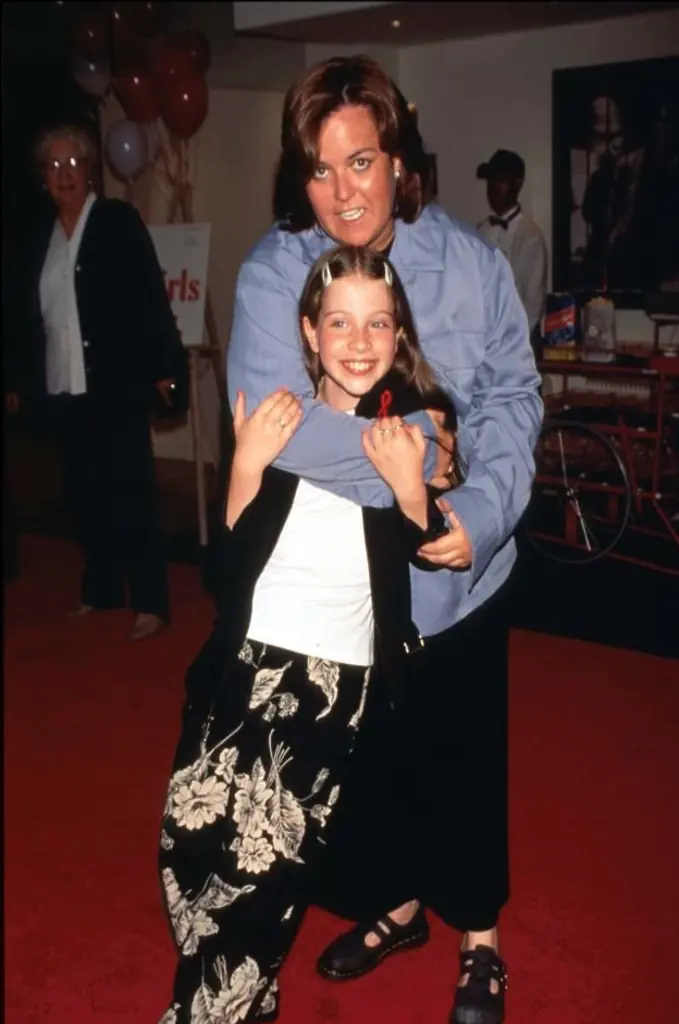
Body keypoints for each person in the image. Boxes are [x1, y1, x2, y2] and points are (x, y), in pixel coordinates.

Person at [226, 55, 543, 1024]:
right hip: (343, 591)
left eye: (360, 162)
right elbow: (293, 433)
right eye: (320, 170)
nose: (342, 192)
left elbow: (510, 401)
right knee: (373, 763)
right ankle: (400, 906)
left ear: (398, 160)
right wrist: (416, 467)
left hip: (460, 573)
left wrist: (472, 517)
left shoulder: (473, 265)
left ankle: (479, 937)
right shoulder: (275, 272)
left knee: (463, 753)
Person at [158, 244, 459, 1024]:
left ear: (398, 338)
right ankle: (249, 997)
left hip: (326, 689)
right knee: (188, 846)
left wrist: (407, 494)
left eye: (377, 324)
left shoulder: (409, 437)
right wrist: (245, 467)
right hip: (241, 666)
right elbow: (223, 578)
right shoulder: (279, 423)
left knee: (255, 871)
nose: (358, 342)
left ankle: (208, 1009)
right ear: (309, 332)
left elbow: (426, 572)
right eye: (339, 323)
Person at [13, 124, 187, 640]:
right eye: (54, 166)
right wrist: (18, 376)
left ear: (90, 171)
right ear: (42, 177)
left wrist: (165, 367)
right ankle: (103, 589)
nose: (64, 175)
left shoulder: (116, 221)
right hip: (63, 384)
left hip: (116, 384)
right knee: (86, 495)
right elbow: (27, 314)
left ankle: (151, 602)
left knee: (132, 494)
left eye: (73, 164)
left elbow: (148, 296)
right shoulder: (37, 234)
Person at [477, 149, 548, 349]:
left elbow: (533, 303)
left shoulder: (530, 236)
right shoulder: (480, 231)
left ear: (517, 184)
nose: (492, 188)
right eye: (489, 181)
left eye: (499, 180)